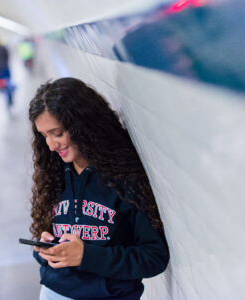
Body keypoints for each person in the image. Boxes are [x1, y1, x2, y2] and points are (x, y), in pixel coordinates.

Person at [28, 77, 170, 300]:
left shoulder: (125, 179)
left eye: (57, 133)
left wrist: (86, 256)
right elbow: (54, 240)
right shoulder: (54, 176)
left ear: (83, 126)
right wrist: (47, 250)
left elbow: (154, 258)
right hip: (53, 292)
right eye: (44, 136)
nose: (51, 145)